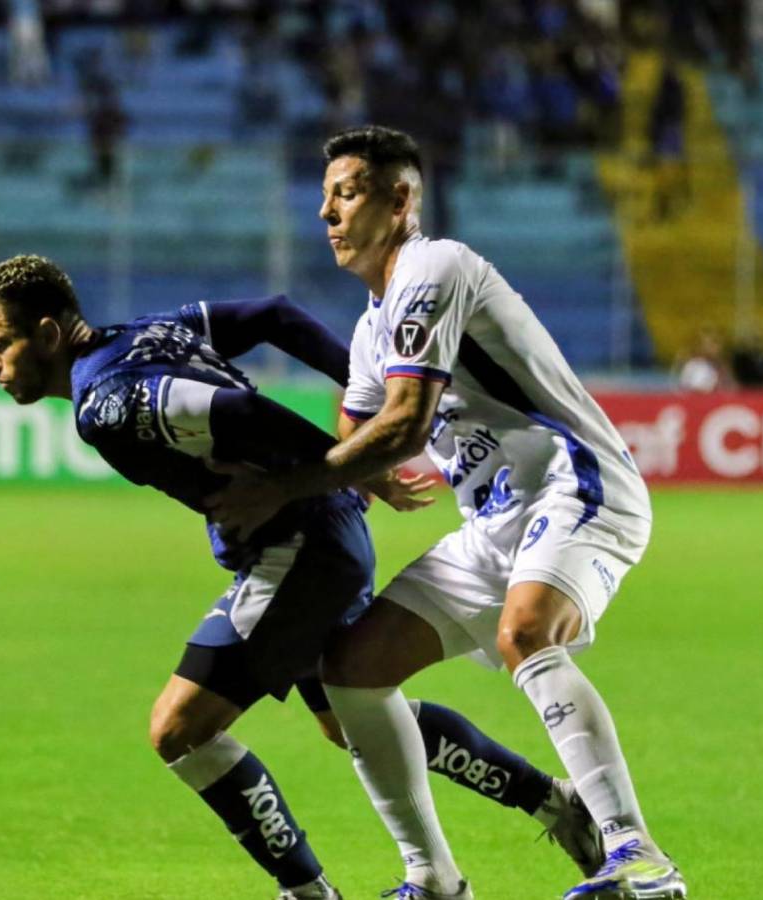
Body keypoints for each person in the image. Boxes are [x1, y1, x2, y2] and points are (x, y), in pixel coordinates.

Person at [0, 254, 602, 900]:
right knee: (351, 716)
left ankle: (309, 892)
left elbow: (238, 411)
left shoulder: (109, 402)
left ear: (48, 334)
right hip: (323, 536)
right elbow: (276, 316)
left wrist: (353, 461)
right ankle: (556, 802)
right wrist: (367, 406)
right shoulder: (152, 331)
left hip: (300, 550)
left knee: (179, 730)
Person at [205, 126, 686, 900]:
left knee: (526, 633)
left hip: (575, 482)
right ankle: (433, 879)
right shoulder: (372, 327)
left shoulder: (435, 267)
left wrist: (290, 486)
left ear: (400, 200)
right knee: (353, 672)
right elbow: (360, 433)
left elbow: (405, 424)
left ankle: (639, 857)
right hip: (493, 525)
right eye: (325, 197)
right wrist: (333, 474)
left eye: (347, 194)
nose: (327, 213)